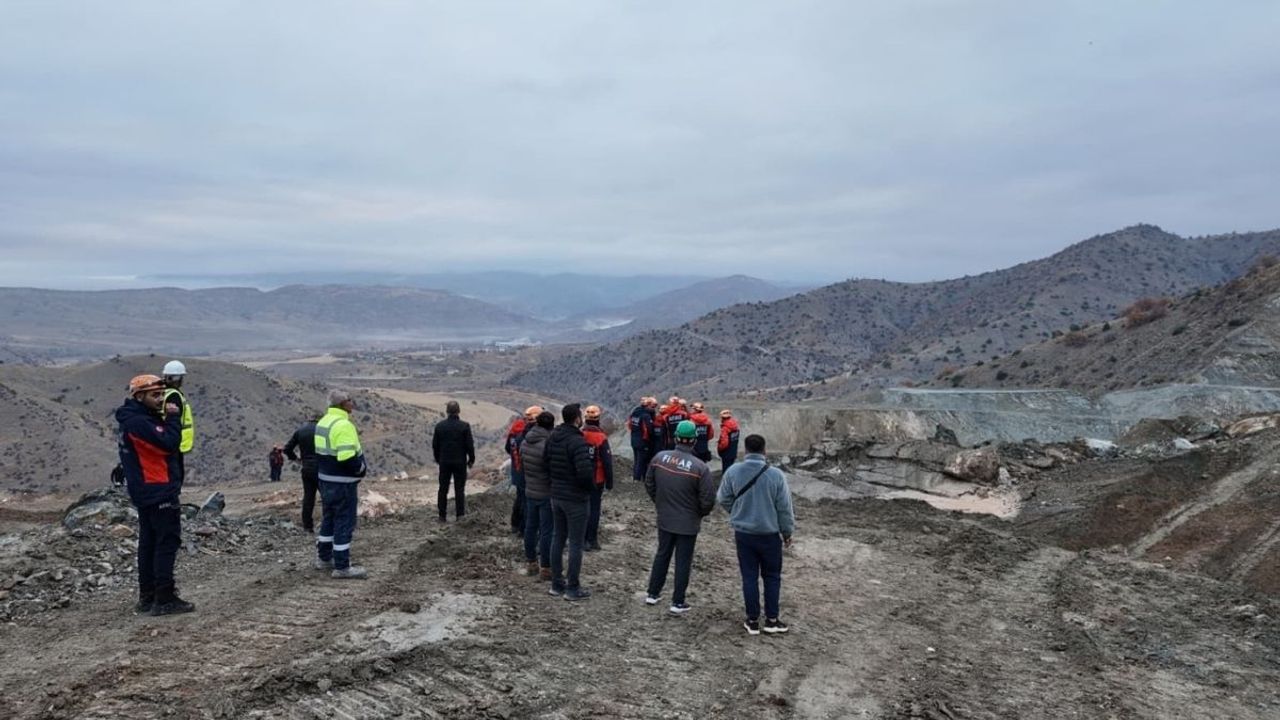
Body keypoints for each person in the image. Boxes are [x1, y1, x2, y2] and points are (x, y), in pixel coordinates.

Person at [116, 374, 193, 616]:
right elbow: (169, 442)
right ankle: (164, 598)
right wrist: (172, 418)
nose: (161, 399)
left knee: (149, 543)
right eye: (155, 395)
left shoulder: (134, 419)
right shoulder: (140, 423)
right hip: (157, 489)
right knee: (166, 542)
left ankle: (148, 596)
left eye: (162, 393)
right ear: (139, 396)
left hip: (145, 489)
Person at [717, 434, 795, 635]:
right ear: (764, 450)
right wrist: (787, 532)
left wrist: (737, 512)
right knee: (772, 577)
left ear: (745, 450)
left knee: (749, 577)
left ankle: (752, 621)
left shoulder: (733, 471)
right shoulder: (776, 475)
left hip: (744, 535)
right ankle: (772, 620)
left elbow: (723, 498)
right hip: (770, 535)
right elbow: (784, 508)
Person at [643, 420, 714, 614]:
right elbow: (708, 499)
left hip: (665, 517)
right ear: (694, 440)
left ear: (676, 438)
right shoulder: (700, 468)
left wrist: (660, 502)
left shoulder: (659, 458)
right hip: (688, 523)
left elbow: (649, 483)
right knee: (683, 561)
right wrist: (698, 513)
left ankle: (652, 593)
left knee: (662, 554)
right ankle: (677, 601)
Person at [314, 389, 369, 579]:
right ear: (341, 404)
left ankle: (323, 558)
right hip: (342, 484)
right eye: (349, 400)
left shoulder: (324, 422)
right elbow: (346, 457)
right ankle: (342, 566)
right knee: (344, 523)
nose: (352, 403)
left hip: (326, 481)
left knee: (328, 519)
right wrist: (360, 469)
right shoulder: (343, 425)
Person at [544, 403, 594, 601]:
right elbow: (584, 472)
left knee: (558, 538)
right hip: (575, 498)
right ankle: (572, 588)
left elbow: (545, 462)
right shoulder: (577, 441)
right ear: (577, 419)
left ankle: (557, 584)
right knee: (575, 543)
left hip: (556, 495)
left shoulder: (552, 438)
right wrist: (588, 488)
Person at [521, 411, 556, 579]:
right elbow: (552, 470)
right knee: (547, 530)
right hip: (546, 492)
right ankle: (546, 568)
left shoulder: (525, 442)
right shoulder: (547, 445)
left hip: (530, 490)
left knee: (530, 527)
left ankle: (531, 563)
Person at [431, 400, 475, 522]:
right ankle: (460, 515)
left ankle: (442, 516)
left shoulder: (440, 426)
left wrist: (438, 459)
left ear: (447, 412)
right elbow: (469, 446)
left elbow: (435, 445)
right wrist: (471, 460)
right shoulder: (464, 426)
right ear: (458, 411)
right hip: (460, 462)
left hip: (444, 462)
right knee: (459, 489)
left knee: (443, 488)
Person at [581, 405, 614, 552]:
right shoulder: (601, 438)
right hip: (597, 479)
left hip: (580, 478)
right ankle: (591, 540)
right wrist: (610, 481)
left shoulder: (579, 435)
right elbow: (607, 462)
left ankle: (580, 539)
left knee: (581, 509)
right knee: (594, 509)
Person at [506, 406, 541, 536]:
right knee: (526, 503)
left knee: (520, 499)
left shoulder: (515, 430)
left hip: (516, 470)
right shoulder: (527, 434)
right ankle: (523, 528)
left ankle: (515, 525)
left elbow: (508, 448)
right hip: (527, 473)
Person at [284, 413, 322, 532]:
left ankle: (307, 526)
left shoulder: (300, 431)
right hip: (322, 468)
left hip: (306, 468)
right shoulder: (323, 430)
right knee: (327, 497)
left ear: (309, 419)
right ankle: (328, 524)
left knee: (308, 498)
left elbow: (287, 449)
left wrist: (297, 459)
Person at [161, 360, 194, 481]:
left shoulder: (163, 392)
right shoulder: (173, 395)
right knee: (175, 476)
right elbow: (173, 419)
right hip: (175, 441)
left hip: (169, 440)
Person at [628, 396, 656, 482]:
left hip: (634, 439)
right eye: (652, 406)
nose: (653, 408)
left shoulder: (635, 412)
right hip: (642, 441)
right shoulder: (645, 416)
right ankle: (638, 478)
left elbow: (630, 425)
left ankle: (635, 477)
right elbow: (649, 430)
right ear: (648, 405)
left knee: (636, 459)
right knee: (641, 460)